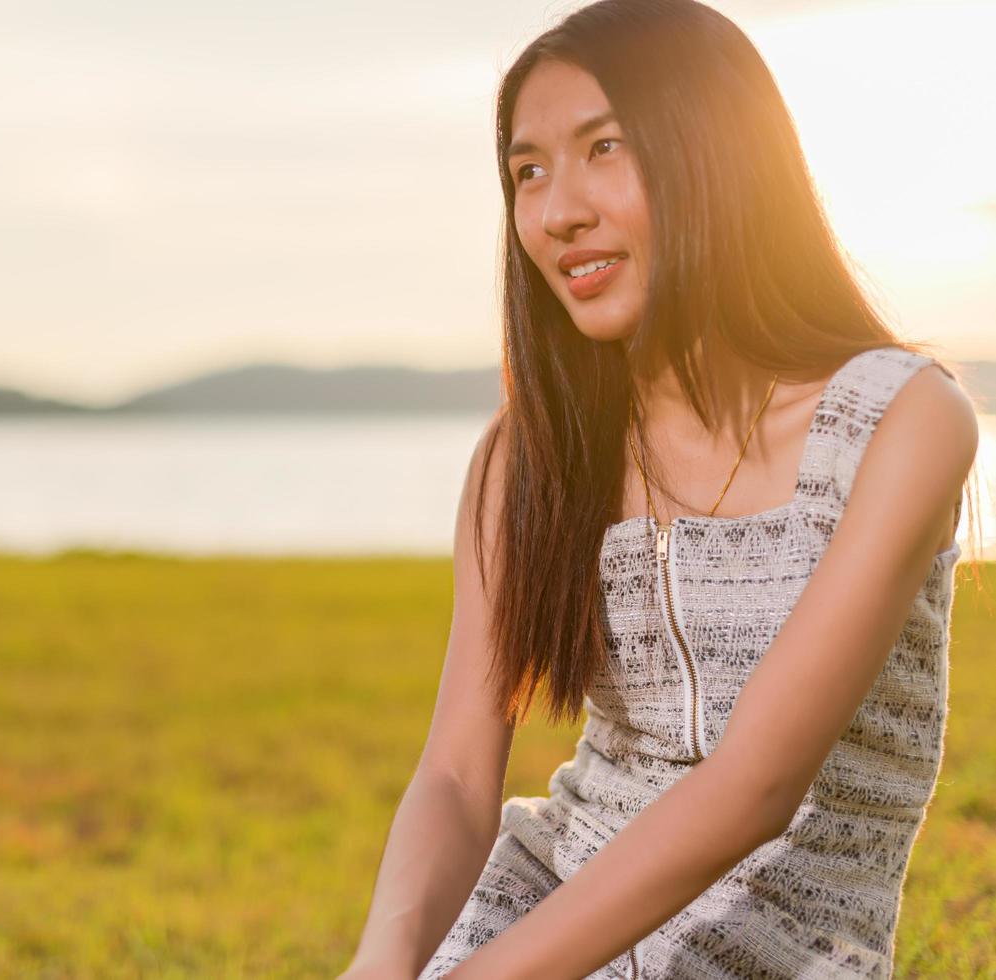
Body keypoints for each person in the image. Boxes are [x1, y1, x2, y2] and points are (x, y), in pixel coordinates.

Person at [338, 1, 982, 978]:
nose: (558, 211)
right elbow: (461, 774)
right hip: (534, 917)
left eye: (605, 147)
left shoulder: (901, 423)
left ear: (715, 154)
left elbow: (754, 784)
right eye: (528, 171)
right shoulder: (529, 457)